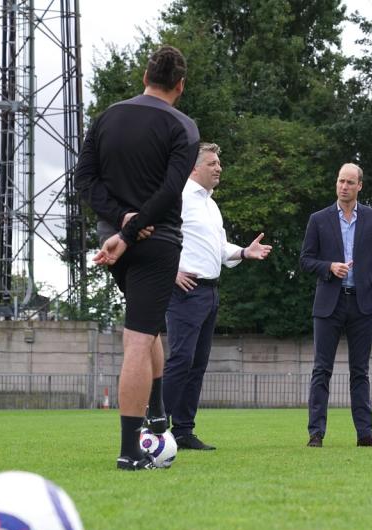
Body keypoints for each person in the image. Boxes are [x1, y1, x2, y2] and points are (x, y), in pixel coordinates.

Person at [76, 45, 199, 470]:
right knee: (138, 340)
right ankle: (131, 451)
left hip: (117, 243)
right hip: (154, 244)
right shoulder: (183, 126)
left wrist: (120, 222)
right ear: (179, 86)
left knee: (148, 326)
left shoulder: (107, 117)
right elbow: (168, 193)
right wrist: (131, 231)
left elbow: (84, 180)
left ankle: (159, 412)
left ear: (144, 76)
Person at [163, 143, 272, 451]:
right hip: (185, 291)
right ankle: (155, 427)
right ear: (194, 167)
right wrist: (171, 271)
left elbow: (221, 250)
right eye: (212, 162)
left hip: (210, 292)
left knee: (197, 364)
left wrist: (245, 252)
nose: (219, 167)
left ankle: (183, 431)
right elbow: (155, 237)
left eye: (219, 163)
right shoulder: (178, 198)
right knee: (181, 360)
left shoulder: (211, 205)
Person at [300, 163, 372, 448]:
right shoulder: (318, 219)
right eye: (341, 181)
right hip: (329, 303)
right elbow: (305, 260)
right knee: (321, 370)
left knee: (360, 371)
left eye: (350, 182)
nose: (344, 186)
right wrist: (330, 267)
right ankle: (316, 433)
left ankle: (365, 434)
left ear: (360, 186)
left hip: (364, 304)